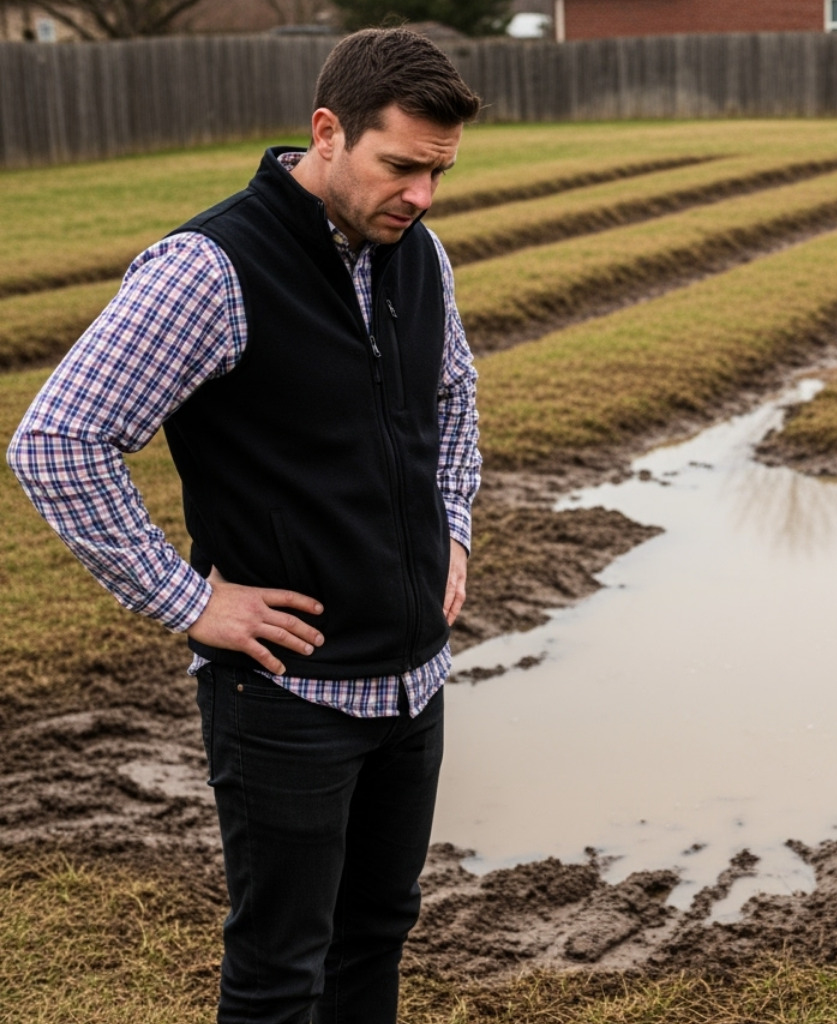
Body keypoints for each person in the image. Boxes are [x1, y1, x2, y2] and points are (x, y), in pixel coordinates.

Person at [8, 28, 483, 1023]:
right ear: (327, 132)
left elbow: (455, 392)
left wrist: (454, 523)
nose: (422, 196)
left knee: (377, 933)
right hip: (289, 695)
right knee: (280, 969)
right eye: (401, 166)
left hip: (413, 681)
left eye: (439, 172)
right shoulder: (209, 268)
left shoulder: (419, 253)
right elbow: (58, 441)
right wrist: (187, 600)